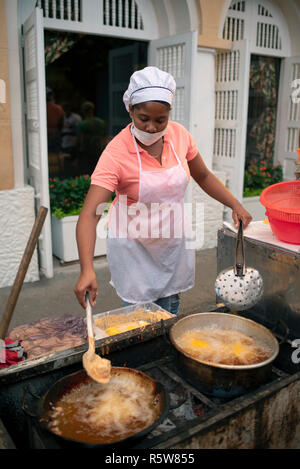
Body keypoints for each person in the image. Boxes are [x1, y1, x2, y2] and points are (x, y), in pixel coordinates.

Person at [74, 67, 252, 314]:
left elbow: (202, 175)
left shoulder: (180, 136)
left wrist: (235, 204)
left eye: (160, 121)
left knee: (170, 310)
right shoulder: (115, 153)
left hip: (171, 243)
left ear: (169, 114)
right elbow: (89, 215)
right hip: (134, 249)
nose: (151, 128)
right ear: (130, 110)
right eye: (143, 119)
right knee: (139, 321)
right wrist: (86, 269)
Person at [77, 101, 106, 174]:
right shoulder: (101, 122)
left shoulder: (82, 124)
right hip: (99, 149)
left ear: (83, 111)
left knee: (87, 171)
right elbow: (105, 137)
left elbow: (80, 139)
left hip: (87, 150)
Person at [46, 87, 64, 155]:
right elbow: (61, 123)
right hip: (55, 134)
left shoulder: (41, 108)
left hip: (46, 134)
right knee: (56, 155)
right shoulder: (58, 108)